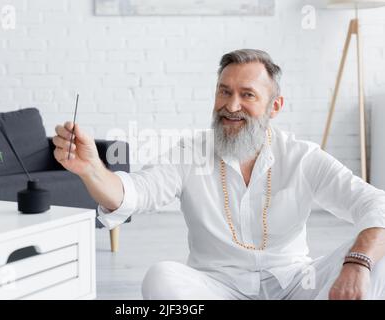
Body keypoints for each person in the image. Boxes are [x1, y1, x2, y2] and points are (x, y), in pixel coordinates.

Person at [53, 49, 385, 300]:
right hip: (217, 288)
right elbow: (136, 192)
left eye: (247, 94)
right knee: (161, 277)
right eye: (224, 91)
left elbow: (375, 204)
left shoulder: (303, 157)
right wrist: (92, 169)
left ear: (275, 107)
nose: (232, 105)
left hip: (296, 285)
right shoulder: (190, 153)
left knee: (377, 257)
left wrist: (357, 263)